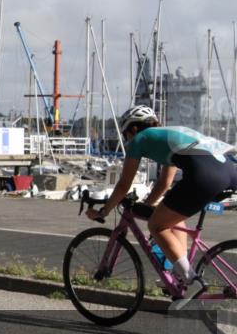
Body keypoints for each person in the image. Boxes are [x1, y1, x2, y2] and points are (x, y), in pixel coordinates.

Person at [87, 105, 237, 305]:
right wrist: (147, 205)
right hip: (230, 172)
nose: (128, 140)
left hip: (206, 176)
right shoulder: (170, 135)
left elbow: (124, 185)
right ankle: (181, 272)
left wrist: (104, 211)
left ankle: (191, 282)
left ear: (132, 129)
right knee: (174, 218)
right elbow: (165, 183)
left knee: (157, 225)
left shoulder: (140, 139)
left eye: (126, 135)